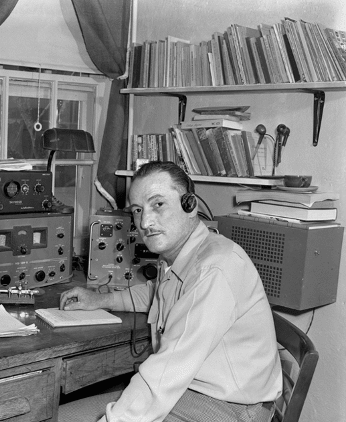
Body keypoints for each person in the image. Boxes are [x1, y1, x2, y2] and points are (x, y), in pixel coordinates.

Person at [59, 161, 282, 422]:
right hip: (189, 389)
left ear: (190, 205)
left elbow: (170, 367)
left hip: (231, 407)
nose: (145, 221)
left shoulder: (215, 268)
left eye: (158, 204)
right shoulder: (182, 256)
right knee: (60, 416)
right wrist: (102, 299)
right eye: (138, 210)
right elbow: (159, 293)